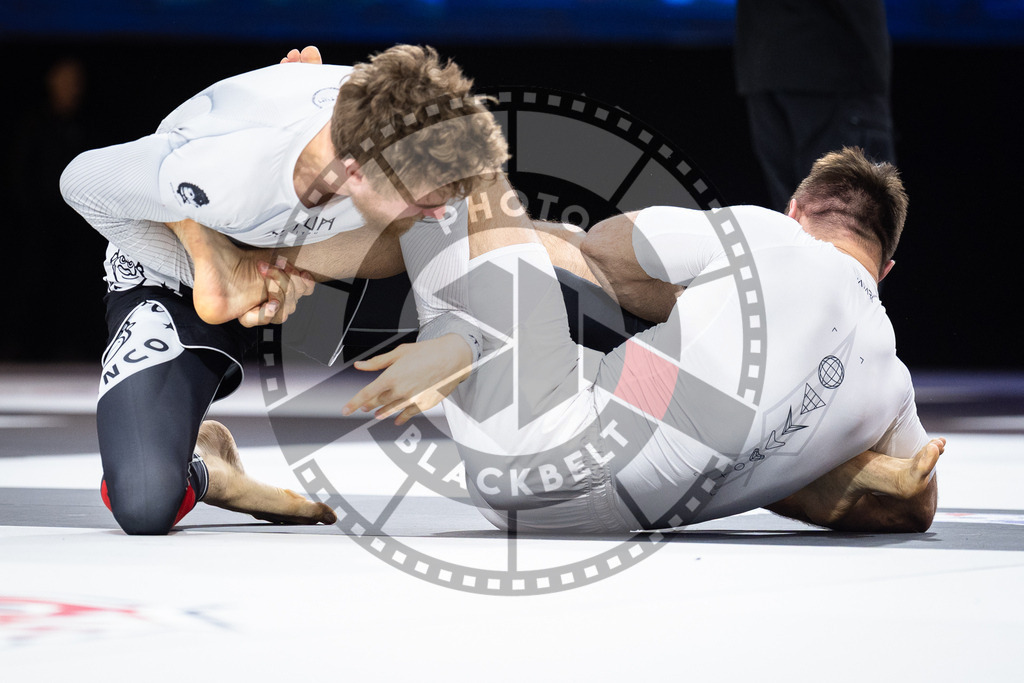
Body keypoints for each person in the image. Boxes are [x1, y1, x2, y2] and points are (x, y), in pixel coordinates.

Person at [344, 146, 941, 533]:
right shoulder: (893, 385)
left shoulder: (774, 235)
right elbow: (918, 508)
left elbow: (604, 253)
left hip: (538, 445)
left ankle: (310, 122)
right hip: (572, 515)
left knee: (448, 164)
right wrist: (829, 460)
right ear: (885, 269)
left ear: (795, 209)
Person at [59, 44, 509, 535]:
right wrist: (208, 260)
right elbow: (81, 182)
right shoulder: (231, 169)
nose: (437, 211)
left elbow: (462, 233)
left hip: (284, 255)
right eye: (423, 201)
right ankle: (210, 467)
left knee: (466, 228)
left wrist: (453, 337)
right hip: (172, 264)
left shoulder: (400, 118)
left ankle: (249, 270)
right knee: (145, 501)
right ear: (354, 173)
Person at [735, 0, 897, 212]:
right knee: (854, 214)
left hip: (763, 65)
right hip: (833, 68)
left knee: (793, 215)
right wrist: (875, 82)